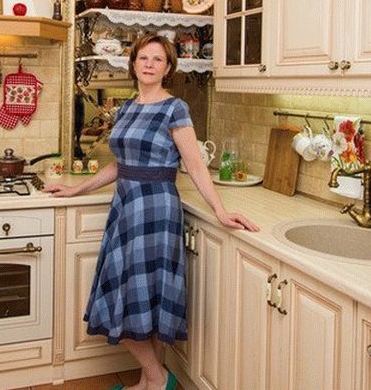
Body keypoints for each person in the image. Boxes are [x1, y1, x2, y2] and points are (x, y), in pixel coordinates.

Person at [44, 32, 259, 390]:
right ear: (133, 63)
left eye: (158, 59)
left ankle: (157, 379)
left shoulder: (174, 108)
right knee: (137, 296)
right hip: (126, 207)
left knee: (133, 296)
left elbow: (194, 164)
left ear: (168, 68)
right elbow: (119, 165)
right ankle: (149, 380)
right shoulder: (127, 108)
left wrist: (220, 210)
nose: (149, 64)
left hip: (156, 209)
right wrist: (75, 189)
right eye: (144, 58)